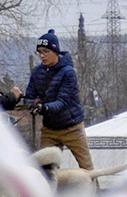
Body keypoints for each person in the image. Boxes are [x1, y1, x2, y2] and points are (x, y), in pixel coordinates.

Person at [21, 30, 91, 170]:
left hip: (72, 128)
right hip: (50, 129)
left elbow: (63, 102)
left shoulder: (68, 72)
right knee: (45, 169)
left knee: (86, 167)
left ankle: (94, 191)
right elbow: (29, 97)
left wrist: (43, 107)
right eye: (39, 52)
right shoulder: (37, 72)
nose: (42, 55)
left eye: (46, 51)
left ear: (55, 51)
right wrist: (31, 105)